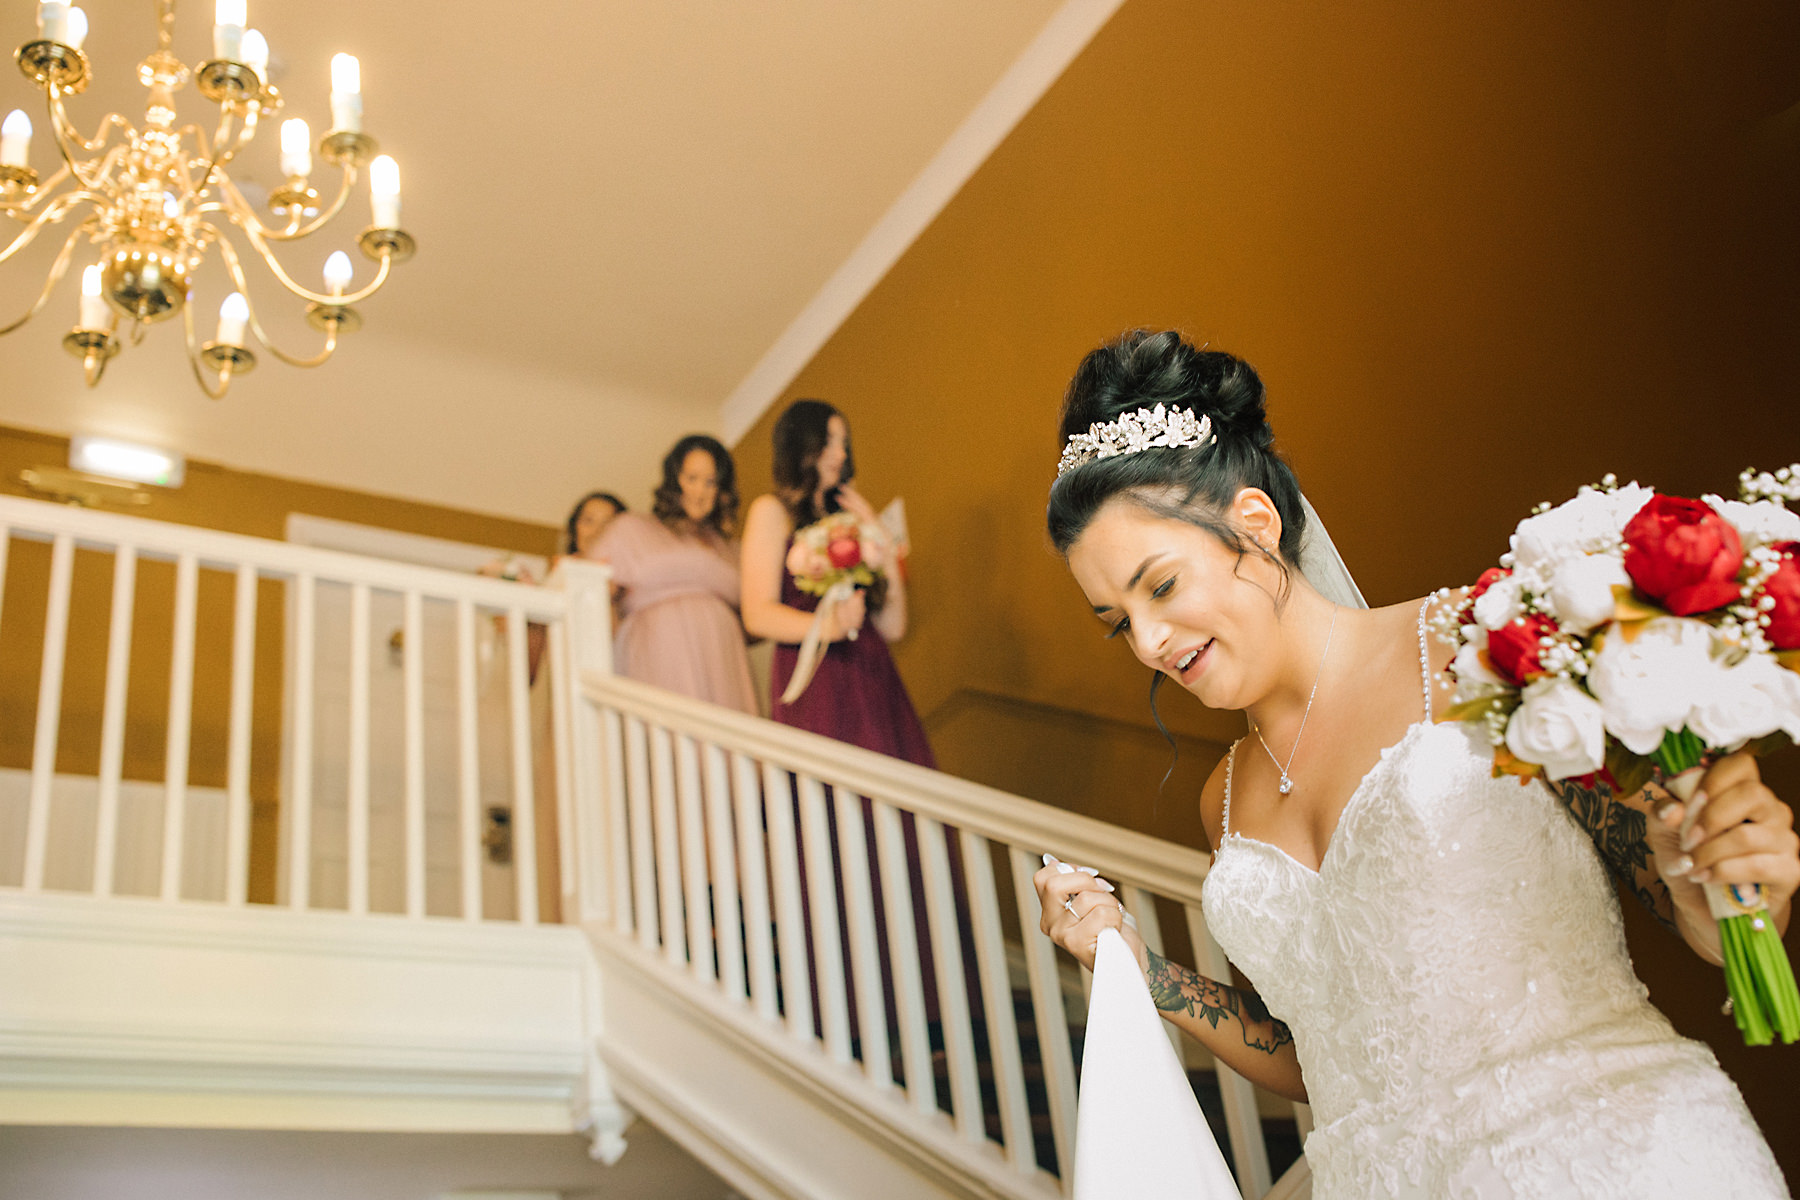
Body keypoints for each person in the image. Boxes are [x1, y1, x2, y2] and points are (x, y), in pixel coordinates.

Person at [1032, 331, 1794, 1197]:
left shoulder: (1479, 642)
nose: (1150, 644)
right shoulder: (1226, 801)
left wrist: (1727, 886)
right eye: (1118, 620)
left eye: (1160, 588)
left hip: (1614, 1158)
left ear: (1254, 526)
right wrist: (1136, 962)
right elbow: (1324, 1059)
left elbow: (1676, 892)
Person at [741, 399, 933, 764]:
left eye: (843, 443)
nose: (840, 453)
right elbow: (756, 614)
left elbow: (893, 627)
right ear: (802, 445)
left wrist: (883, 545)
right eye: (828, 441)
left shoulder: (851, 516)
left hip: (870, 668)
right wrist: (827, 625)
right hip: (815, 670)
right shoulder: (770, 511)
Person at [583, 437, 757, 713]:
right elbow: (592, 597)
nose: (700, 491)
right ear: (675, 481)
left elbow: (755, 621)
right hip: (656, 660)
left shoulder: (731, 550)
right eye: (692, 478)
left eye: (711, 482)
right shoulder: (632, 529)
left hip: (723, 669)